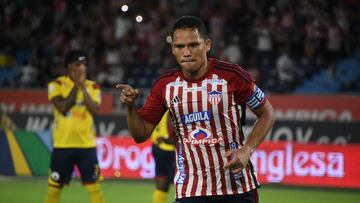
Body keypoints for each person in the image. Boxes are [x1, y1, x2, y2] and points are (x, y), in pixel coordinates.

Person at [116, 15, 275, 203]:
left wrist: (247, 149)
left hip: (236, 188)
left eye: (193, 45)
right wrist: (130, 108)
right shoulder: (165, 86)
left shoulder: (233, 76)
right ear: (172, 49)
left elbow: (267, 113)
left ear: (207, 45)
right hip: (191, 190)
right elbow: (140, 134)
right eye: (180, 47)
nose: (186, 52)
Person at [44, 49, 105, 203]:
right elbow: (63, 108)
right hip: (63, 145)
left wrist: (82, 87)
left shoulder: (93, 87)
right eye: (78, 64)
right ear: (69, 66)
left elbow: (96, 110)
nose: (81, 68)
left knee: (95, 189)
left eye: (84, 64)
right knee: (53, 190)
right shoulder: (56, 84)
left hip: (86, 145)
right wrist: (76, 86)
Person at [151, 110, 175, 203]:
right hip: (169, 148)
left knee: (162, 184)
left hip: (157, 146)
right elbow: (171, 123)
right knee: (183, 184)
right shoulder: (171, 104)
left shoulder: (157, 102)